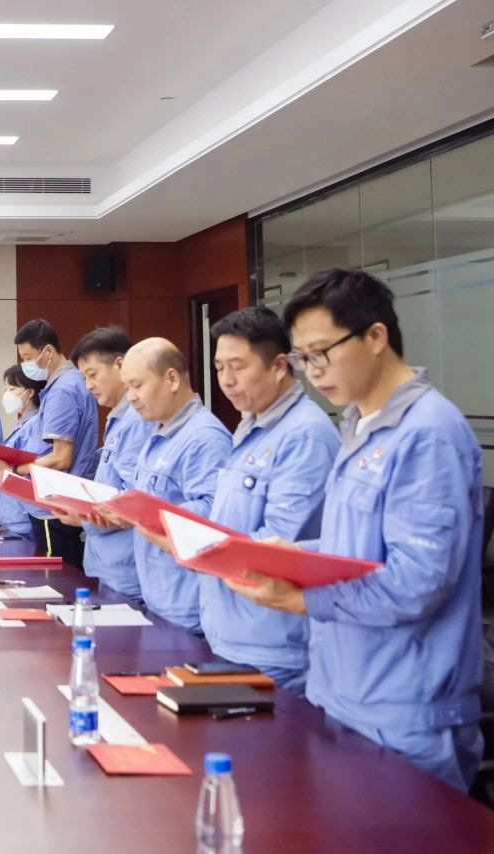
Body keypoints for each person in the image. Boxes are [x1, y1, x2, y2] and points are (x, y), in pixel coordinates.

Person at [227, 268, 484, 791]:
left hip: (403, 708)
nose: (313, 372)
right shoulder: (359, 424)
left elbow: (418, 582)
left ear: (376, 336)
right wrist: (291, 552)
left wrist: (303, 599)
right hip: (342, 690)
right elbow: (357, 547)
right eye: (304, 358)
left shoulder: (428, 434)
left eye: (322, 353)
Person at [192, 307, 339, 695]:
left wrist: (198, 546)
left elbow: (278, 543)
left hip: (272, 643)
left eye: (237, 367)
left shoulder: (304, 435)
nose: (226, 380)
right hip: (232, 632)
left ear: (279, 366)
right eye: (219, 368)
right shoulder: (251, 424)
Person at [97, 338, 230, 632]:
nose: (131, 397)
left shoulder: (205, 438)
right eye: (127, 387)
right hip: (159, 596)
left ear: (172, 378)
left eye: (137, 385)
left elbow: (214, 515)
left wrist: (143, 514)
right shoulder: (159, 434)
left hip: (187, 604)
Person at [52, 327, 154, 601]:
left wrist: (84, 516)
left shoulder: (138, 420)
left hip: (125, 568)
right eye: (84, 377)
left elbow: (134, 502)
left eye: (93, 375)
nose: (88, 386)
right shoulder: (119, 418)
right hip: (106, 562)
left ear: (120, 365)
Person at [12, 319, 99, 568]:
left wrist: (17, 470)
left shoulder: (63, 389)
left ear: (48, 351)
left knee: (56, 579)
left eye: (28, 357)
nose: (26, 365)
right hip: (61, 500)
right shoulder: (67, 383)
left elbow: (61, 458)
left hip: (55, 506)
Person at [0, 367, 50, 538]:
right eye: (5, 389)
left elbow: (31, 466)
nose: (7, 395)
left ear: (30, 393)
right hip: (11, 512)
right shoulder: (22, 422)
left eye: (12, 389)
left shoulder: (36, 423)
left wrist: (3, 469)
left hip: (23, 514)